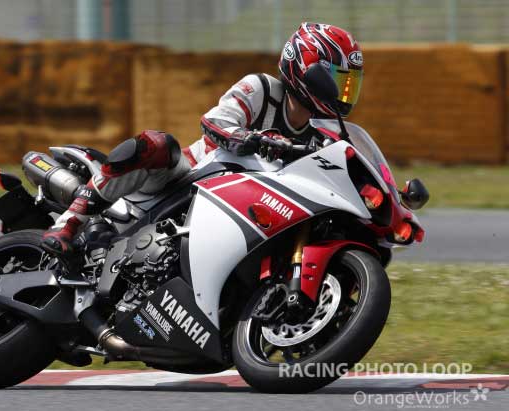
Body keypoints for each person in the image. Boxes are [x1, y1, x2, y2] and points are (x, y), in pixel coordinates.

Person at [41, 22, 364, 256]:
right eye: (338, 82)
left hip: (252, 203)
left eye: (349, 85)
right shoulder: (262, 89)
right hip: (190, 178)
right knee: (155, 145)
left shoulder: (323, 134)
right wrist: (252, 138)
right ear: (309, 73)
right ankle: (70, 222)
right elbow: (214, 122)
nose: (342, 93)